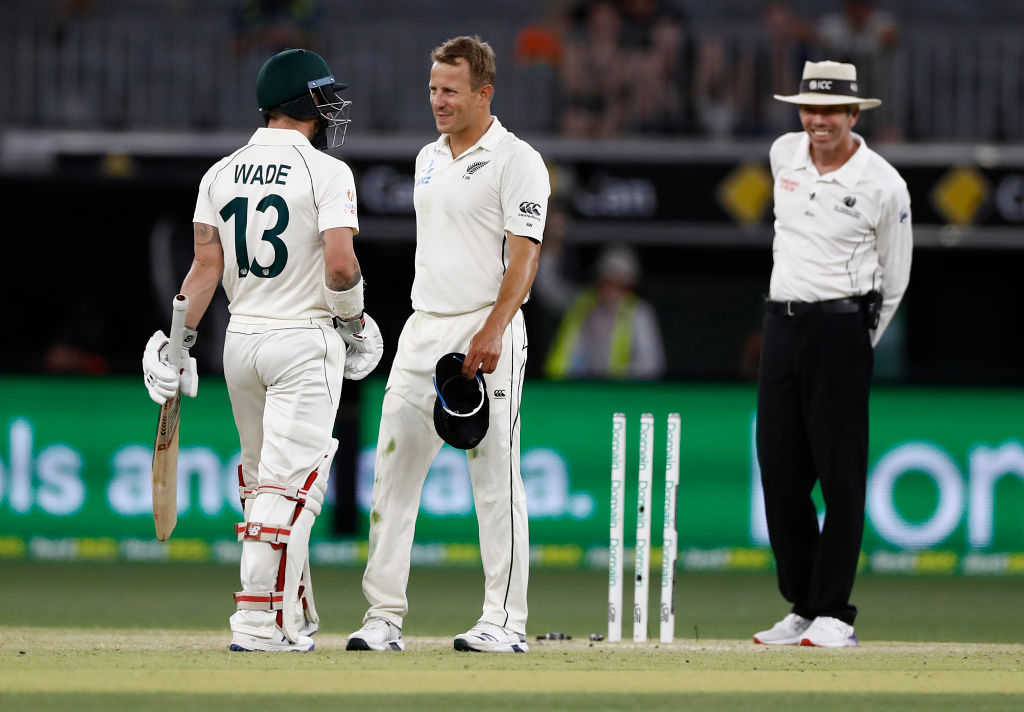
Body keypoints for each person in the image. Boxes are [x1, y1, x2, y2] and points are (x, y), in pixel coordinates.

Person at [141, 48, 383, 652]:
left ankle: (292, 616)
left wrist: (177, 344)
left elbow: (202, 270)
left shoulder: (220, 173)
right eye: (325, 96)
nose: (332, 109)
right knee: (287, 489)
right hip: (304, 339)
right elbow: (339, 261)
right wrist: (353, 323)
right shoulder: (326, 173)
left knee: (261, 485)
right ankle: (255, 621)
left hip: (240, 342)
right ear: (305, 102)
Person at [346, 35, 549, 654]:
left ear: (484, 92)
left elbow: (524, 260)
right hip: (422, 325)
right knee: (391, 474)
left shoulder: (519, 160)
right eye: (433, 88)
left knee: (495, 478)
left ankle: (504, 622)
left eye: (450, 90)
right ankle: (383, 617)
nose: (438, 100)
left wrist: (491, 330)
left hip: (486, 329)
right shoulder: (427, 158)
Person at [753, 60, 912, 648]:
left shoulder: (883, 183)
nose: (819, 121)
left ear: (853, 114)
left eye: (831, 111)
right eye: (810, 109)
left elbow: (895, 278)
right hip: (782, 327)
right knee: (779, 469)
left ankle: (834, 615)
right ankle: (803, 604)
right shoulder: (782, 155)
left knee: (840, 477)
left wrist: (856, 340)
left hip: (843, 330)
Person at [543, 244, 665, 380]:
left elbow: (651, 365)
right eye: (608, 281)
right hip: (575, 388)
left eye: (619, 284)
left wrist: (614, 375)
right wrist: (549, 248)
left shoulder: (640, 313)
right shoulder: (582, 303)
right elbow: (548, 289)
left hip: (617, 393)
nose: (612, 289)